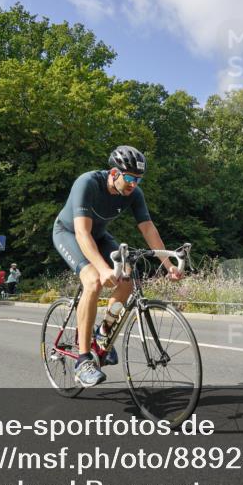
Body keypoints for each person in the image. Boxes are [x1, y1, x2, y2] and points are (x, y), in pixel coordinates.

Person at [53, 145, 183, 387]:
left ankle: (103, 336)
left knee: (128, 278)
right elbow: (82, 233)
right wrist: (102, 269)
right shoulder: (88, 183)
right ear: (114, 173)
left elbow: (148, 229)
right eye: (130, 178)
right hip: (69, 233)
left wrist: (168, 264)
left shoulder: (134, 193)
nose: (134, 184)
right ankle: (83, 361)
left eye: (139, 179)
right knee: (92, 280)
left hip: (100, 235)